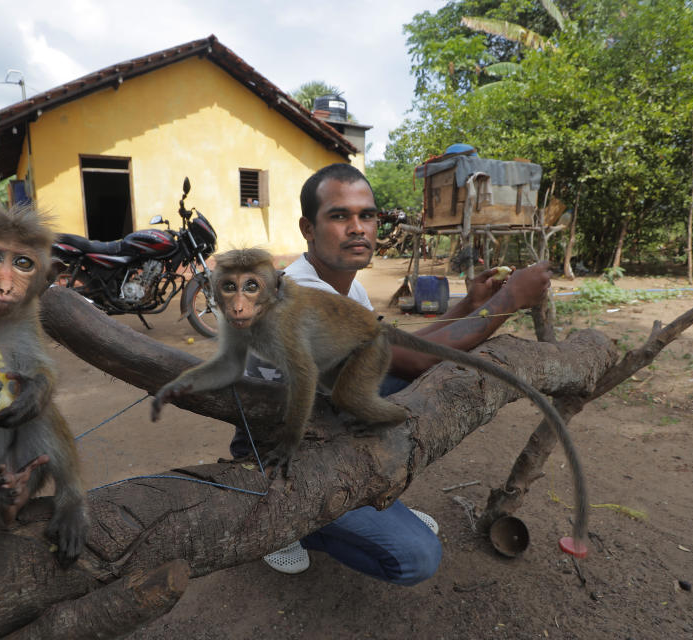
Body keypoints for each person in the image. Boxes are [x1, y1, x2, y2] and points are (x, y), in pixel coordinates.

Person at [235, 162, 551, 585]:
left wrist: (470, 304)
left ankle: (359, 502)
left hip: (321, 419)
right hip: (277, 454)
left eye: (367, 215)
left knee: (408, 391)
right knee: (416, 557)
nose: (358, 227)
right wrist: (511, 298)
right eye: (339, 216)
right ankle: (284, 525)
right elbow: (418, 360)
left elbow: (403, 352)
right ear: (307, 228)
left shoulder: (346, 282)